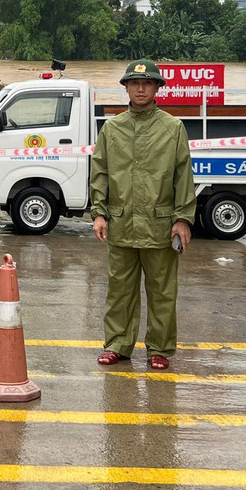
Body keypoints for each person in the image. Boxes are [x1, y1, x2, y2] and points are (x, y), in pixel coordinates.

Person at [90, 59, 196, 371]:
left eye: (147, 83)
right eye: (135, 83)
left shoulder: (172, 128)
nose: (140, 88)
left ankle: (160, 349)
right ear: (125, 88)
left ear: (156, 88)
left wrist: (182, 218)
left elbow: (183, 176)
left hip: (160, 225)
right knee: (119, 289)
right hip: (121, 223)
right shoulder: (112, 128)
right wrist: (99, 213)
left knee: (163, 292)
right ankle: (118, 345)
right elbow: (100, 173)